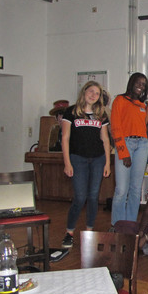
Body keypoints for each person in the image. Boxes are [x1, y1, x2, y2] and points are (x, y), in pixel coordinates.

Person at [61, 82, 111, 248]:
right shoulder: (72, 112)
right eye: (91, 91)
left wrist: (108, 163)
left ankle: (89, 231)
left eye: (97, 93)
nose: (93, 95)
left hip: (98, 159)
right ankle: (69, 232)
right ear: (84, 92)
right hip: (78, 159)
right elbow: (65, 139)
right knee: (80, 197)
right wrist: (67, 162)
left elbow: (105, 139)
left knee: (93, 197)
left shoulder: (101, 114)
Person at [111, 72, 148, 226]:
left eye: (144, 85)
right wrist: (123, 152)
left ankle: (130, 224)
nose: (141, 87)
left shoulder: (142, 105)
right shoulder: (119, 100)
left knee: (135, 189)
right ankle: (117, 225)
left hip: (142, 145)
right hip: (125, 144)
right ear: (131, 83)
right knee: (121, 190)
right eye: (138, 83)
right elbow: (115, 128)